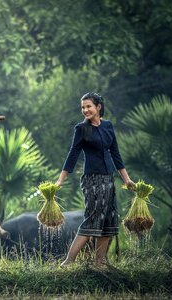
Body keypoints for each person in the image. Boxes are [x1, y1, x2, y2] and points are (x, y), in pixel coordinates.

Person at [56, 92, 135, 267]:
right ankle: (67, 262)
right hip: (92, 180)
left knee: (109, 219)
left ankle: (100, 262)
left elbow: (116, 155)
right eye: (83, 107)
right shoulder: (81, 129)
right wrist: (60, 180)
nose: (85, 110)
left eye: (88, 106)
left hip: (109, 179)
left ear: (98, 107)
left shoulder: (108, 126)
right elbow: (72, 155)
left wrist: (127, 180)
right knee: (93, 218)